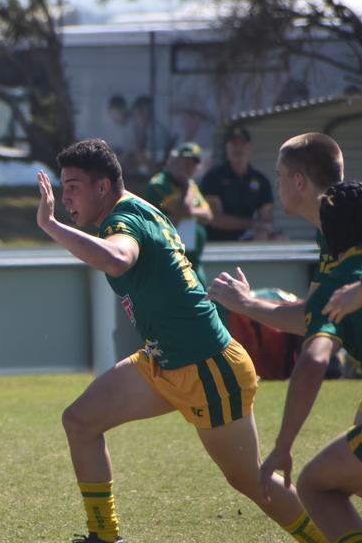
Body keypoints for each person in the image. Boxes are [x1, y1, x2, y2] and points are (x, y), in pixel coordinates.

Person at [35, 139, 325, 543]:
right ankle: (105, 535)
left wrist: (51, 225)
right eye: (62, 187)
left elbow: (117, 258)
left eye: (72, 186)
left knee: (252, 482)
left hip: (207, 366)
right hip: (164, 360)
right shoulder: (138, 207)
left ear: (102, 187)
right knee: (80, 421)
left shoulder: (124, 221)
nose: (64, 197)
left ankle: (332, 539)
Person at [207, 132, 362, 525]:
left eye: (280, 175)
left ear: (299, 182)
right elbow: (316, 316)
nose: (277, 184)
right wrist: (250, 304)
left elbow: (323, 331)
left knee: (348, 483)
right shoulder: (335, 230)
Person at [260, 181, 362, 542]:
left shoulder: (337, 286)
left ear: (328, 234)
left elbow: (314, 361)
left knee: (316, 486)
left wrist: (283, 447)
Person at [144, 141, 212, 278]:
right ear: (175, 161)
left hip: (192, 258)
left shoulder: (191, 185)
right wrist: (187, 187)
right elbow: (183, 210)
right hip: (167, 255)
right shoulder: (160, 183)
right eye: (185, 161)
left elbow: (208, 215)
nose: (189, 167)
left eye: (193, 163)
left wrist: (192, 211)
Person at [199, 125, 275, 241]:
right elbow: (215, 219)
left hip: (248, 239)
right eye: (234, 144)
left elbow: (266, 219)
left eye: (242, 143)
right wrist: (253, 224)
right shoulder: (213, 178)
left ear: (249, 147)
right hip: (217, 244)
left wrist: (263, 230)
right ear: (226, 148)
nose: (238, 148)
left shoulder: (261, 180)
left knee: (280, 239)